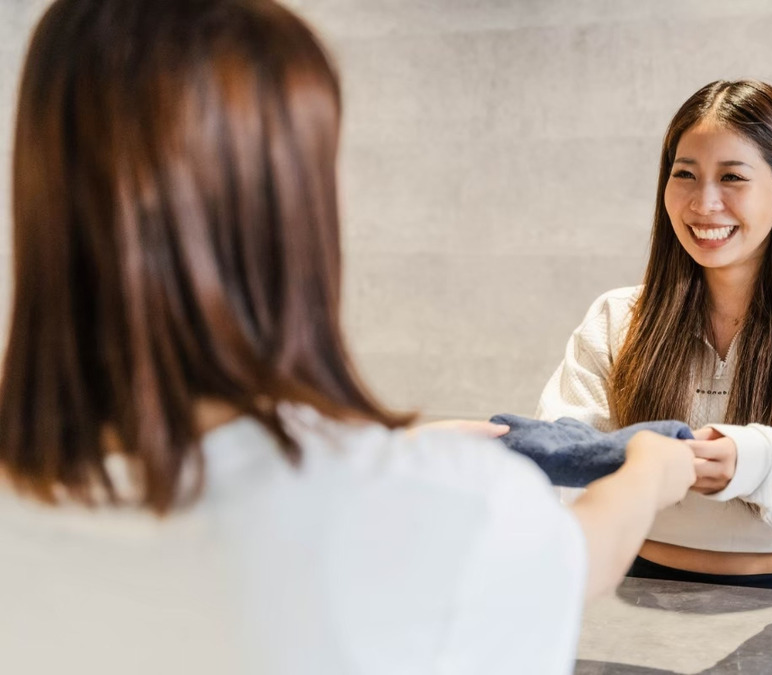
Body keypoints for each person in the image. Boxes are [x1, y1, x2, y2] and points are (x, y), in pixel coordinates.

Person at [0, 2, 697, 673]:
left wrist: (395, 454)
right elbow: (573, 554)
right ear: (289, 205)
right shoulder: (437, 511)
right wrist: (647, 471)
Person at [537, 80, 772, 594]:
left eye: (732, 176)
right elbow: (563, 469)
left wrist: (753, 460)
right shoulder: (617, 316)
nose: (704, 203)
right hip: (635, 594)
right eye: (684, 174)